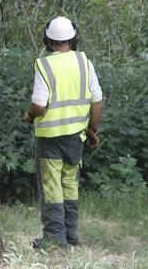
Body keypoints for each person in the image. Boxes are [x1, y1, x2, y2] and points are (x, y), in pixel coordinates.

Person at [22, 17, 103, 248]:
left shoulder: (44, 65)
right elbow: (97, 101)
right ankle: (71, 235)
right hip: (75, 136)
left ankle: (54, 239)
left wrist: (28, 115)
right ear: (73, 39)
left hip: (49, 139)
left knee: (51, 186)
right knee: (69, 183)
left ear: (47, 40)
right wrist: (93, 130)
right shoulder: (84, 62)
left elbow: (38, 104)